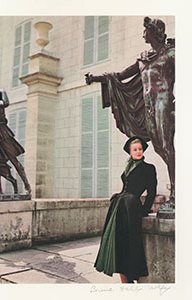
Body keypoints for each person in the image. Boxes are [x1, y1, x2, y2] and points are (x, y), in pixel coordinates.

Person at [85, 16, 175, 204]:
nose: (143, 34)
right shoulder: (143, 59)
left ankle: (176, 191)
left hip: (163, 104)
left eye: (146, 30)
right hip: (148, 106)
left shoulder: (171, 54)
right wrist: (95, 78)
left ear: (155, 32)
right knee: (159, 148)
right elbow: (119, 76)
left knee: (167, 147)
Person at [94, 136, 157, 283]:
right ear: (130, 152)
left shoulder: (148, 168)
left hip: (132, 208)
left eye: (140, 149)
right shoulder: (128, 166)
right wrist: (119, 195)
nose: (138, 151)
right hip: (120, 207)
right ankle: (124, 279)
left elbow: (151, 192)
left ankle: (132, 276)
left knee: (130, 244)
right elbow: (126, 187)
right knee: (118, 242)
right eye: (135, 149)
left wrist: (144, 210)